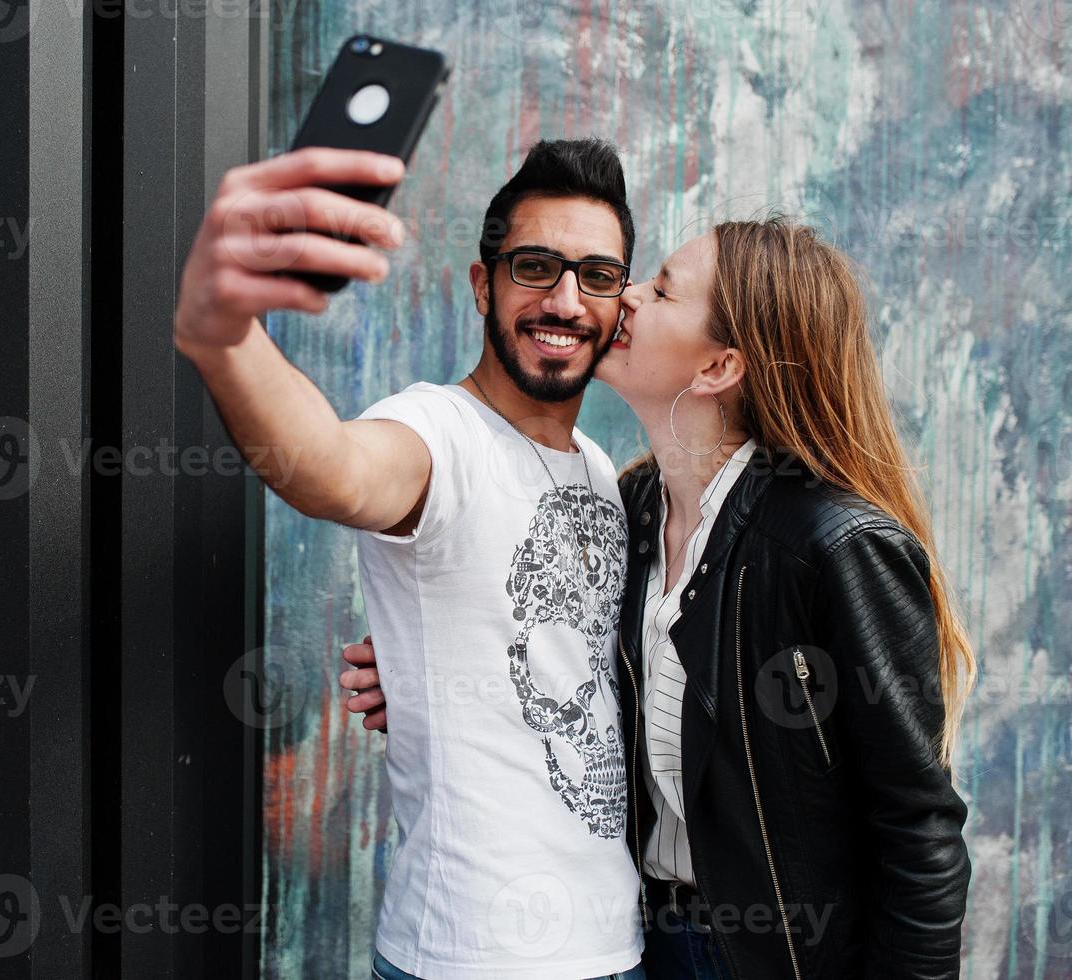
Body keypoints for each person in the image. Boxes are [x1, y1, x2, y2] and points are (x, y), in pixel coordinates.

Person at [341, 216, 975, 979]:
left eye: (662, 289)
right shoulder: (628, 507)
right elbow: (568, 666)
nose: (626, 298)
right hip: (639, 949)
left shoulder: (831, 544)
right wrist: (431, 664)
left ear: (717, 366)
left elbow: (918, 829)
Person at [174, 139, 648, 979]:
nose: (565, 299)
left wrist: (425, 676)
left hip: (616, 945)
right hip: (477, 956)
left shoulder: (602, 475)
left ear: (618, 303)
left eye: (597, 276)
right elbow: (332, 470)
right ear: (482, 284)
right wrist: (222, 335)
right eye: (534, 266)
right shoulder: (436, 433)